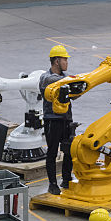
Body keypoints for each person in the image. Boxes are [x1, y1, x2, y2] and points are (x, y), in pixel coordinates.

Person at [40, 45, 74, 196]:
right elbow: (52, 80)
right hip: (52, 120)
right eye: (64, 59)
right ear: (56, 61)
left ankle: (66, 179)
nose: (67, 62)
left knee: (69, 150)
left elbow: (75, 94)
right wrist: (72, 81)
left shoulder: (66, 78)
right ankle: (52, 184)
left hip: (67, 119)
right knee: (52, 153)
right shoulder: (46, 78)